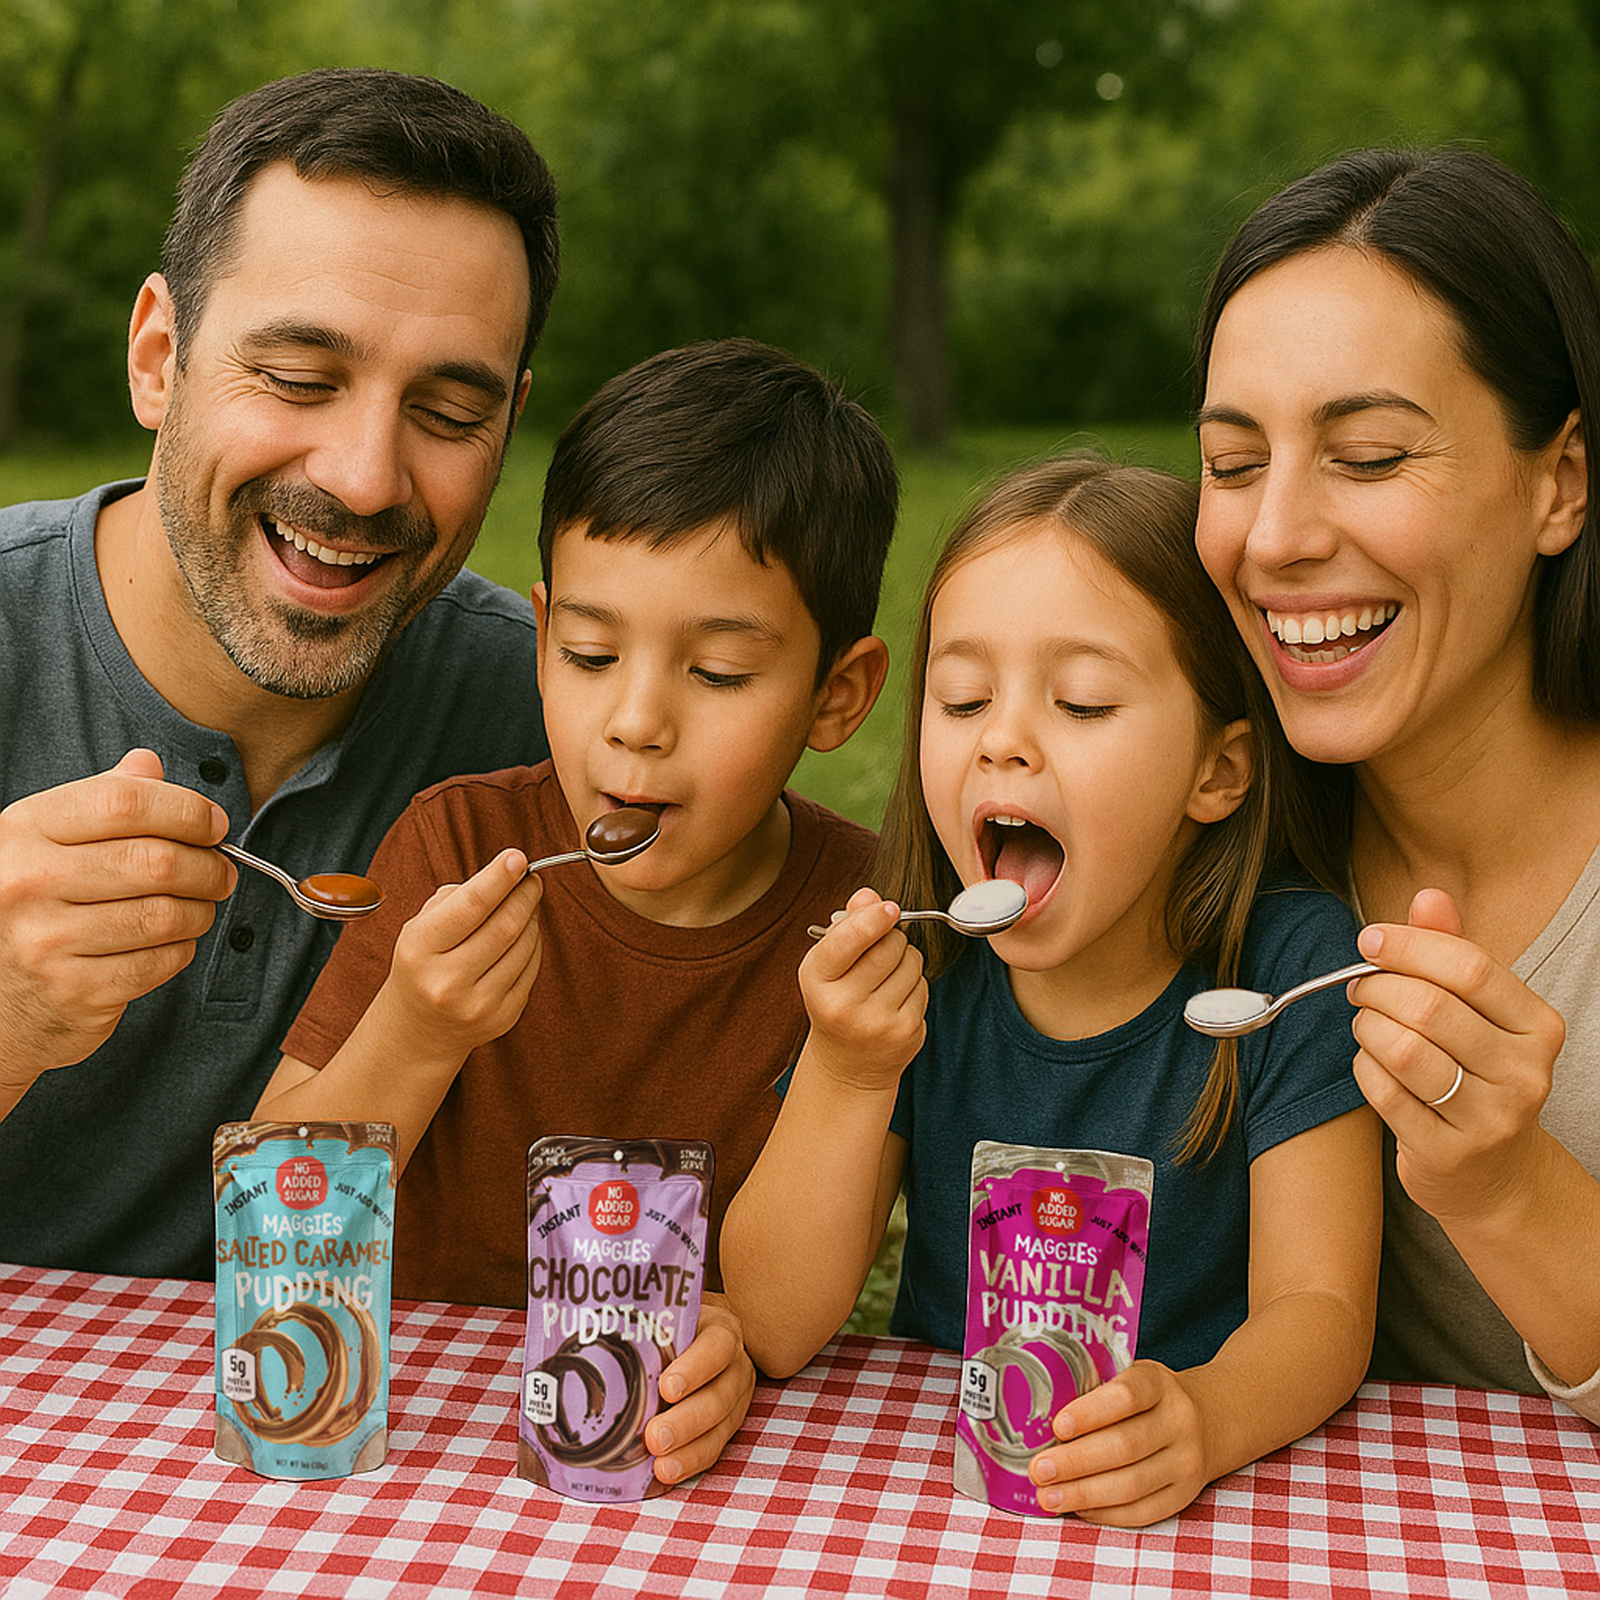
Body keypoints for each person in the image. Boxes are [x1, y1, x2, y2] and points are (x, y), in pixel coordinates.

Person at [254, 336, 898, 1487]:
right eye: (593, 653)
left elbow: (782, 1319)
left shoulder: (855, 935)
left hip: (656, 1455)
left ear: (835, 696)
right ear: (543, 640)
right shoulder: (457, 848)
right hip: (411, 1438)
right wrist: (417, 1026)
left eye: (718, 674)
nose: (637, 720)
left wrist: (734, 1338)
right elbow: (274, 1202)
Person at [721, 455, 1381, 1527]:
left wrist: (1206, 1414)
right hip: (961, 1508)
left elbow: (1321, 1306)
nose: (1003, 738)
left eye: (1079, 701)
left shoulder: (1286, 977)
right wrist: (846, 1070)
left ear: (1218, 772)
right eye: (963, 696)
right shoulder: (918, 979)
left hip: (1207, 1510)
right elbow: (771, 1317)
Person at [0, 68, 560, 1281]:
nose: (363, 477)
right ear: (160, 356)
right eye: (299, 378)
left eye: (448, 411)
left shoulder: (558, 718)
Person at [1193, 147, 1600, 1425]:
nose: (1273, 538)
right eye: (1230, 460)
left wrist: (1506, 1189)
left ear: (1561, 482)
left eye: (1367, 455)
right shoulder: (1219, 836)